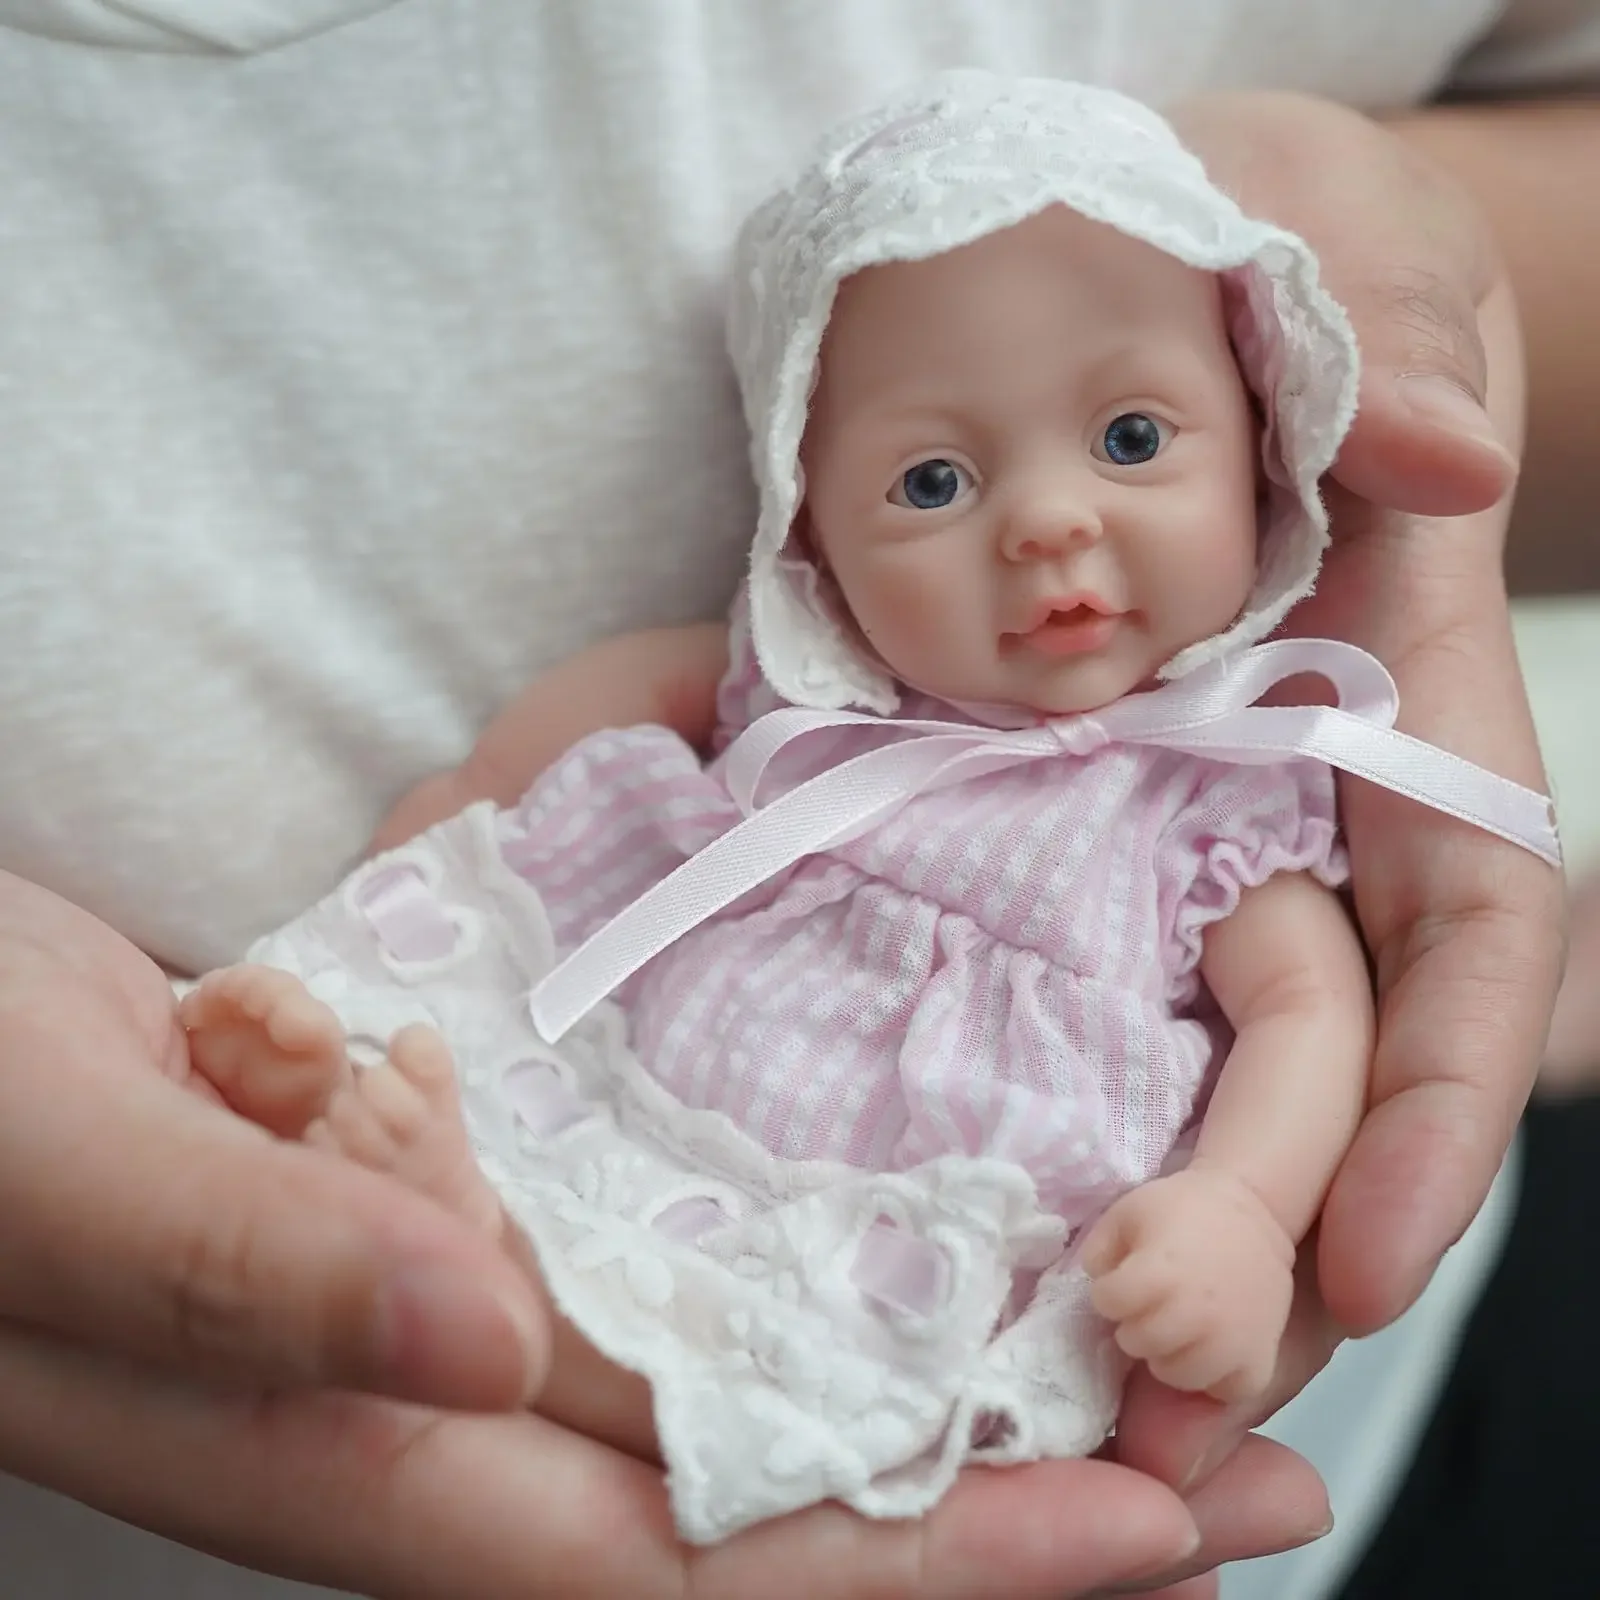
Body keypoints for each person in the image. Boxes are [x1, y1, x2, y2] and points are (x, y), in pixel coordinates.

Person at [0, 3, 1593, 1596]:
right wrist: (442, 844)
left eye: (1128, 437)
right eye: (931, 483)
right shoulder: (804, 718)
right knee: (484, 1075)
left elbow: (1310, 1017)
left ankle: (474, 1268)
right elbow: (608, 706)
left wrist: (1240, 1210)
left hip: (947, 1175)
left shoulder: (1214, 806)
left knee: (833, 1340)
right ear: (806, 523)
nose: (1046, 524)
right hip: (674, 1050)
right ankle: (390, 1149)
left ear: (1263, 448)